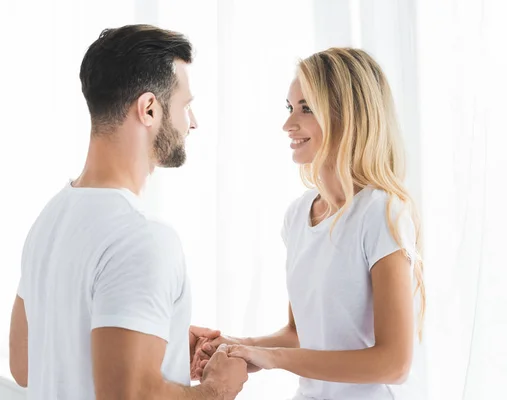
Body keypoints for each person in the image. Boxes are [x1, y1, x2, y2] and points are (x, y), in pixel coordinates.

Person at [9, 24, 248, 399]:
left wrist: (158, 342)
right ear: (149, 108)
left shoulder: (51, 219)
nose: (193, 122)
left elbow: (24, 366)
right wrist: (218, 389)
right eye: (185, 105)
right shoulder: (144, 238)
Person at [191, 48, 427, 399]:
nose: (288, 124)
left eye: (306, 109)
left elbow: (394, 364)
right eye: (290, 108)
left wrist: (272, 358)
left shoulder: (381, 212)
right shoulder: (298, 216)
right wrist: (237, 347)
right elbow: (299, 335)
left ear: (346, 117)